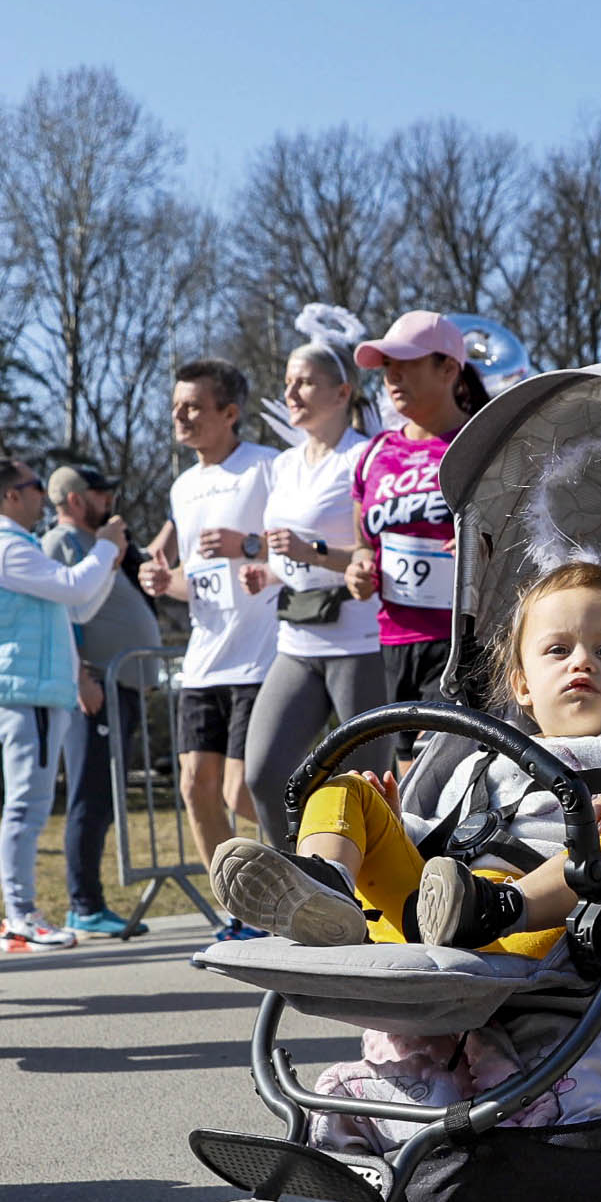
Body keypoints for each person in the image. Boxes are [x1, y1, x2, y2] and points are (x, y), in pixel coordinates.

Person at [211, 557, 601, 950]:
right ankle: (325, 884)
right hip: (432, 915)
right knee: (345, 787)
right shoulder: (486, 757)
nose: (581, 662)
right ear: (522, 685)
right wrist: (397, 828)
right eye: (558, 650)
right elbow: (444, 837)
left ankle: (503, 906)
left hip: (539, 927)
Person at [0, 455, 127, 951]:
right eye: (35, 486)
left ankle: (22, 914)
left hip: (34, 693)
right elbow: (73, 586)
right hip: (26, 695)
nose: (44, 495)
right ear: (11, 495)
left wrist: (106, 559)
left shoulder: (16, 547)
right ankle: (20, 915)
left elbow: (76, 603)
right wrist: (104, 549)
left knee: (30, 806)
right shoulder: (5, 549)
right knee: (27, 808)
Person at [144, 360, 280, 904]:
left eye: (194, 405)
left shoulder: (267, 467)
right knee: (195, 787)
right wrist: (162, 580)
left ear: (230, 413)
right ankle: (239, 909)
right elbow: (195, 581)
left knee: (241, 790)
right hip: (204, 659)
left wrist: (247, 545)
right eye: (177, 405)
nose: (180, 415)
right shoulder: (183, 487)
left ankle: (319, 863)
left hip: (263, 655)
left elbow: (304, 542)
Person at [243, 340, 386, 842]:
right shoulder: (283, 465)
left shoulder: (364, 458)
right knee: (262, 773)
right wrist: (271, 572)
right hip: (298, 641)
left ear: (342, 391)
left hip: (358, 643)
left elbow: (378, 555)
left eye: (303, 381)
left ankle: (375, 907)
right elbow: (289, 554)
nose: (290, 392)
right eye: (287, 382)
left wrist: (315, 553)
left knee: (368, 785)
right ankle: (297, 889)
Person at [347, 312, 484, 715]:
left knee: (437, 768)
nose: (392, 377)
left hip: (462, 640)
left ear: (448, 369)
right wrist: (359, 568)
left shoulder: (483, 442)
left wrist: (484, 545)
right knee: (406, 772)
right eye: (387, 366)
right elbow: (361, 544)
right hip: (392, 642)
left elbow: (526, 533)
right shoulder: (373, 454)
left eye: (407, 363)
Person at [41, 468, 156, 938]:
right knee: (89, 796)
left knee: (105, 797)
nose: (109, 497)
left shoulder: (100, 544)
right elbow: (62, 612)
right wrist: (82, 676)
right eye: (98, 492)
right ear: (72, 499)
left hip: (118, 687)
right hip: (93, 691)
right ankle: (84, 905)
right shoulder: (61, 542)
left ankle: (90, 903)